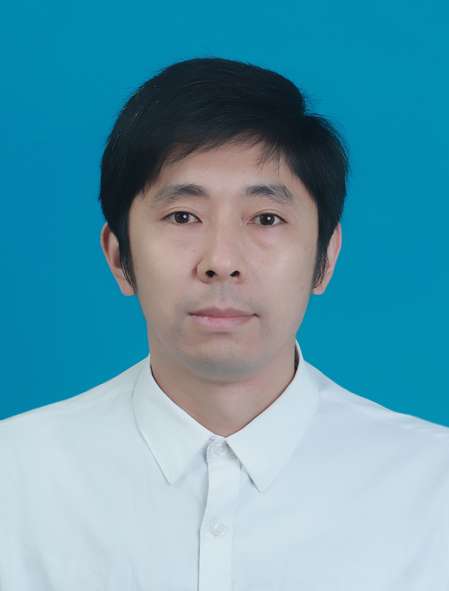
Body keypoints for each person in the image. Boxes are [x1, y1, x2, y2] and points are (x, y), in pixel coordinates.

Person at [1, 57, 448, 590]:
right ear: (119, 256)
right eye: (183, 216)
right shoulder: (16, 476)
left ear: (325, 258)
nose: (221, 260)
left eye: (266, 218)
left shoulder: (432, 487)